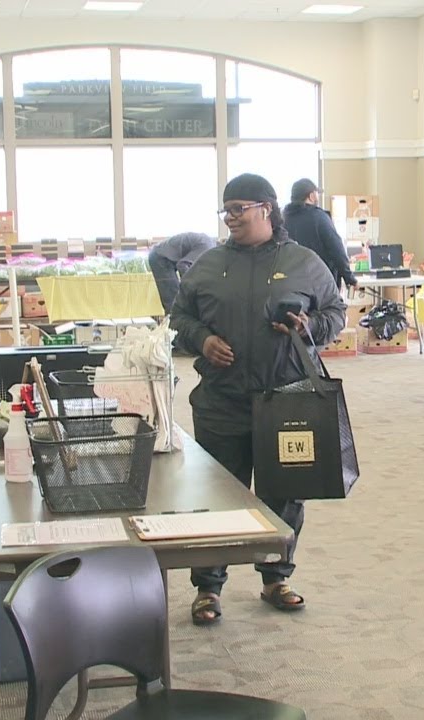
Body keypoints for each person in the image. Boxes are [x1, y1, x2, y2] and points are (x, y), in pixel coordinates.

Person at [170, 173, 347, 627]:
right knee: (215, 499)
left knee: (284, 494)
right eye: (225, 210)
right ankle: (208, 588)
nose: (230, 218)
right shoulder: (208, 265)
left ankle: (275, 578)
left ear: (266, 209)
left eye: (238, 209)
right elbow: (181, 315)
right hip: (220, 401)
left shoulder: (304, 262)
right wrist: (203, 340)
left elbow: (334, 314)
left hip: (286, 400)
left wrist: (308, 327)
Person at [282, 178, 358, 289]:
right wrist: (349, 279)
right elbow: (336, 249)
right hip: (322, 283)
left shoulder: (283, 219)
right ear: (311, 196)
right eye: (317, 193)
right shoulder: (319, 217)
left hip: (292, 284)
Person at [148, 232, 217, 316]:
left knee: (180, 303)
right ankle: (173, 326)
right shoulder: (207, 248)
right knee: (174, 304)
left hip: (165, 257)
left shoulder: (209, 245)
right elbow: (183, 265)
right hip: (160, 258)